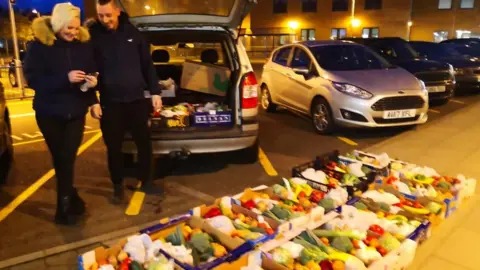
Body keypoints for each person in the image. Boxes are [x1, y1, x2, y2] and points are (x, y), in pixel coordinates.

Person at [24, 3, 98, 225]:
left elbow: (90, 72)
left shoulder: (83, 46)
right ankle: (70, 200)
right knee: (62, 159)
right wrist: (64, 78)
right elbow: (33, 81)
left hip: (75, 112)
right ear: (58, 24)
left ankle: (63, 209)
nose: (73, 33)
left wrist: (91, 86)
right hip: (49, 113)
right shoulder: (39, 47)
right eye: (69, 28)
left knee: (67, 158)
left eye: (76, 28)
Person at [88, 0, 163, 203]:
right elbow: (88, 69)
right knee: (114, 148)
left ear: (117, 12)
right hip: (110, 104)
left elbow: (147, 65)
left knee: (143, 144)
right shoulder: (93, 36)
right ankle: (117, 187)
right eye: (100, 15)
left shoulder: (133, 33)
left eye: (108, 15)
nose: (104, 20)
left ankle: (147, 181)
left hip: (137, 100)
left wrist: (155, 92)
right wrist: (92, 100)